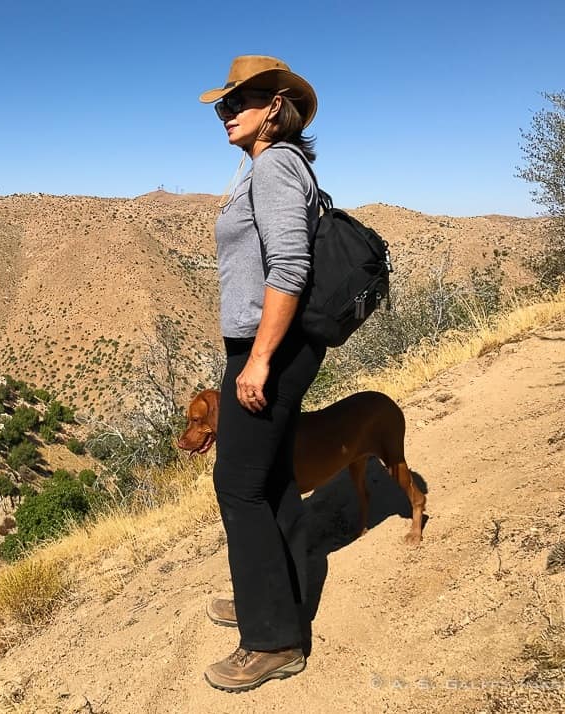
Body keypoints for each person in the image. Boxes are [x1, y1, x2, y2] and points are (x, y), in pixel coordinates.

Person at [198, 55, 325, 692]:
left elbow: (290, 270)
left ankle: (272, 641)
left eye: (236, 103)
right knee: (272, 479)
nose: (225, 114)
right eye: (222, 105)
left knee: (238, 486)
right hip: (270, 346)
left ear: (273, 106)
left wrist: (259, 361)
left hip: (268, 349)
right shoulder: (271, 165)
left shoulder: (273, 166)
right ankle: (276, 597)